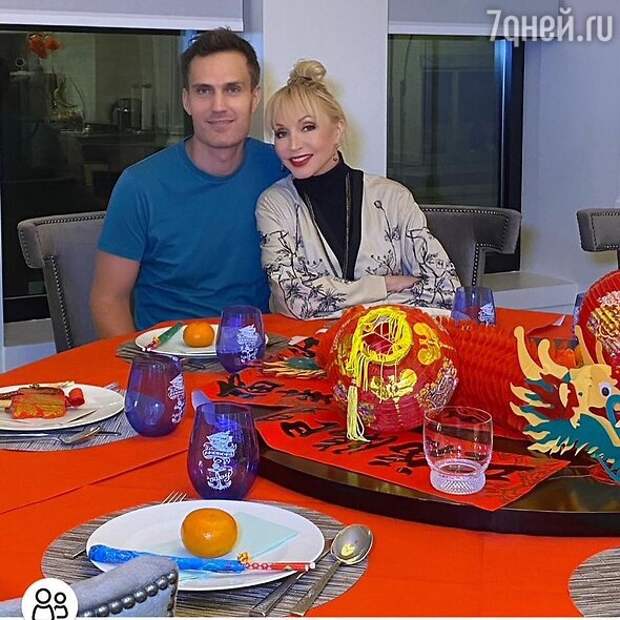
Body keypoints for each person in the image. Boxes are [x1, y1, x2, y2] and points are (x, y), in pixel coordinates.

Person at [91, 29, 285, 337]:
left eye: (233, 89)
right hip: (169, 354)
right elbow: (108, 300)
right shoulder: (140, 186)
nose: (218, 106)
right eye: (204, 91)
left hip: (263, 351)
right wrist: (141, 363)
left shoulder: (282, 169)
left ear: (254, 98)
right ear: (186, 100)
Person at [256, 60, 460, 320]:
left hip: (390, 339)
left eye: (308, 127)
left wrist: (336, 301)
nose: (293, 144)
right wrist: (385, 285)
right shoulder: (274, 204)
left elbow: (446, 290)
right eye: (281, 133)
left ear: (337, 130)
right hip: (305, 343)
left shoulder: (392, 198)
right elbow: (292, 300)